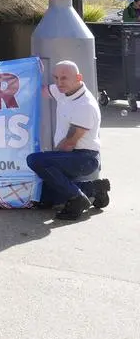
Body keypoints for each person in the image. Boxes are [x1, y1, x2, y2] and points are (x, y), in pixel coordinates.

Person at [27, 60, 103, 221]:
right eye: (56, 78)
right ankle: (94, 188)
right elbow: (42, 91)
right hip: (73, 154)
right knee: (44, 198)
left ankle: (78, 199)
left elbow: (69, 144)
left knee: (35, 161)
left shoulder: (85, 105)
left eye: (64, 78)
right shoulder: (64, 90)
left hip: (84, 158)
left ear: (78, 77)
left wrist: (50, 161)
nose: (59, 83)